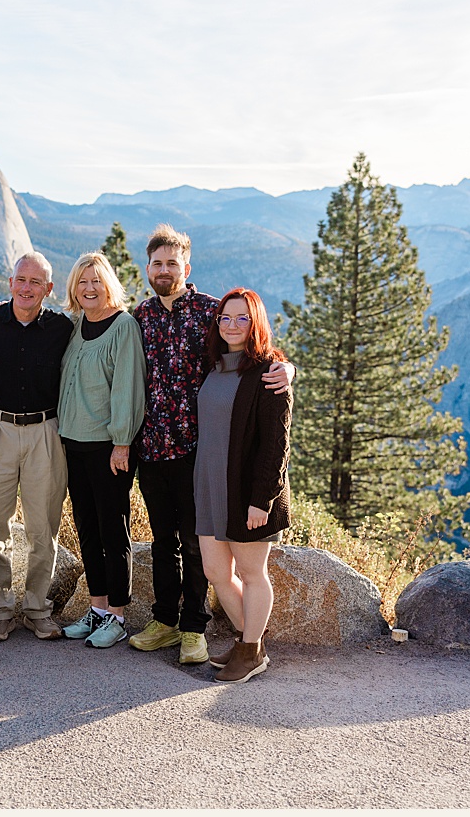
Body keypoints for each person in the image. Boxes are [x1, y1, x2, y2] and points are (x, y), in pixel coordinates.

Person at [127, 225, 295, 665]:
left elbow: (256, 348)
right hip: (154, 447)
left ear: (187, 267)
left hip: (200, 452)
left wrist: (288, 369)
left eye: (172, 263)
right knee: (165, 541)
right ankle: (166, 621)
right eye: (157, 263)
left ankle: (194, 630)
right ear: (148, 268)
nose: (164, 271)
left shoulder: (210, 311)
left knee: (198, 549)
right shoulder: (139, 317)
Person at [0, 253, 75, 640]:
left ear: (48, 288)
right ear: (10, 282)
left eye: (36, 282)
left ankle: (37, 608)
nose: (27, 288)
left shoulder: (62, 328)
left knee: (42, 525)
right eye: (21, 279)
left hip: (45, 431)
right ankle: (0, 608)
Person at [195, 288, 294, 683]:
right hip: (209, 486)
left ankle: (250, 651)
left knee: (253, 574)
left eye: (242, 319)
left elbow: (276, 444)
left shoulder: (269, 371)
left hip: (248, 493)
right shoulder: (215, 366)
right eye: (226, 318)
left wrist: (261, 500)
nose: (232, 326)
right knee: (216, 572)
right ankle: (248, 641)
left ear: (256, 324)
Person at [56, 252, 145, 649]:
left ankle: (119, 616)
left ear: (108, 283)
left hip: (109, 447)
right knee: (87, 530)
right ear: (74, 288)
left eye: (96, 280)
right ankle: (97, 609)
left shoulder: (123, 326)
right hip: (73, 443)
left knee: (114, 530)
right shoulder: (78, 326)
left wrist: (122, 441)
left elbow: (128, 388)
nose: (89, 288)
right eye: (81, 282)